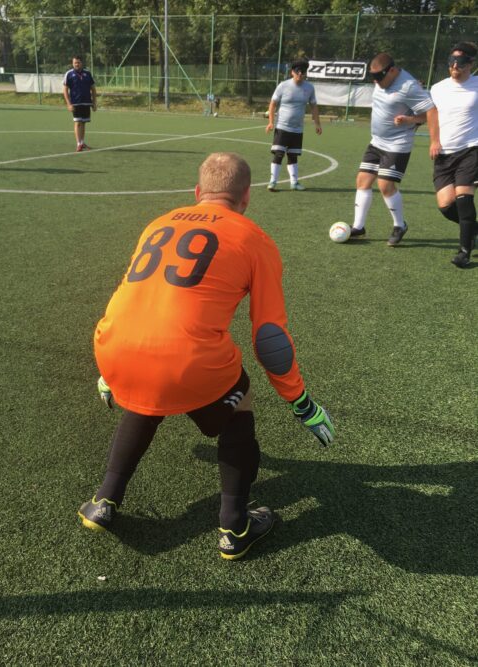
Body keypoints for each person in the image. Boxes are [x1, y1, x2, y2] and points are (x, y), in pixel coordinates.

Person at [78, 152, 335, 561]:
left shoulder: (158, 223)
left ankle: (104, 502)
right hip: (184, 361)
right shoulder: (255, 238)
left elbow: (131, 296)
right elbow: (270, 338)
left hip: (113, 347)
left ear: (197, 193)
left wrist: (110, 372)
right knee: (238, 399)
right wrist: (302, 403)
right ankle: (235, 527)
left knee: (149, 392)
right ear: (246, 196)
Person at [350, 52, 437, 246]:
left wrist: (410, 120)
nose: (376, 82)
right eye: (373, 77)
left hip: (397, 143)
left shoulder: (409, 87)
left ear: (392, 70)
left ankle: (400, 225)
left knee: (384, 185)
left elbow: (429, 113)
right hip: (377, 141)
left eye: (379, 77)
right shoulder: (381, 81)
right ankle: (358, 226)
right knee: (362, 180)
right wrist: (377, 80)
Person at [428, 41, 478, 268]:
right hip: (444, 154)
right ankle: (473, 231)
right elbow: (432, 115)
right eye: (451, 62)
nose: (455, 67)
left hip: (471, 149)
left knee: (464, 198)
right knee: (446, 205)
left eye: (460, 63)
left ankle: (464, 252)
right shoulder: (438, 88)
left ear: (471, 64)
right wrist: (433, 140)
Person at [265, 58, 322, 191]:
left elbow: (314, 106)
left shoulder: (309, 88)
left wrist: (317, 124)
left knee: (293, 155)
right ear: (292, 72)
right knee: (279, 154)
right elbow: (273, 104)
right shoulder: (283, 86)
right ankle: (273, 182)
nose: (300, 74)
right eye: (298, 72)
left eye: (303, 72)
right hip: (282, 127)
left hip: (297, 129)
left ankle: (294, 182)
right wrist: (270, 122)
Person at [63, 55, 97, 153]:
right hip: (75, 103)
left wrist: (94, 102)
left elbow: (93, 89)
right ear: (72, 63)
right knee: (78, 122)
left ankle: (82, 142)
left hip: (86, 102)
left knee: (83, 122)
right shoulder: (69, 74)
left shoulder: (87, 73)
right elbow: (65, 90)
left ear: (81, 63)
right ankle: (78, 143)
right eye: (75, 63)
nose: (76, 64)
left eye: (78, 62)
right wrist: (68, 104)